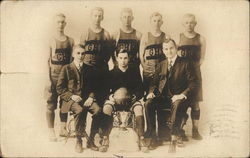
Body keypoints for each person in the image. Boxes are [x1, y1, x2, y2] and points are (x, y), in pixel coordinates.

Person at [99, 49, 148, 153]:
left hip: (130, 101)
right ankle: (105, 138)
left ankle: (141, 138)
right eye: (120, 58)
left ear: (129, 58)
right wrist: (110, 96)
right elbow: (104, 90)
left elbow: (141, 89)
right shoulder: (111, 73)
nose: (123, 61)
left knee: (139, 108)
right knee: (106, 108)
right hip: (115, 101)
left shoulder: (134, 72)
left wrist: (136, 96)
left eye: (125, 58)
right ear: (116, 58)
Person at [156, 39, 198, 153]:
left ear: (176, 48)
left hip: (181, 98)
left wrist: (182, 95)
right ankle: (152, 137)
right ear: (163, 51)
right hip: (165, 97)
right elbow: (154, 82)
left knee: (176, 104)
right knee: (149, 103)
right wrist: (151, 93)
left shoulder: (185, 63)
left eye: (171, 48)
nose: (169, 51)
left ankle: (173, 139)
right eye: (166, 49)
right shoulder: (161, 64)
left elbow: (193, 83)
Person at [79, 7, 113, 147]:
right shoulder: (85, 33)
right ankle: (80, 135)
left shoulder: (106, 34)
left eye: (100, 15)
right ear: (91, 16)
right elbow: (79, 52)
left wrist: (101, 65)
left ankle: (95, 135)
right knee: (85, 102)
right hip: (87, 71)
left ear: (102, 17)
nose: (97, 18)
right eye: (95, 15)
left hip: (101, 71)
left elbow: (109, 53)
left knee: (99, 103)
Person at [56, 45, 100, 153]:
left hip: (85, 99)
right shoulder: (66, 68)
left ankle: (91, 140)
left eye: (83, 53)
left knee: (98, 110)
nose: (81, 56)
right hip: (70, 100)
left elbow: (94, 86)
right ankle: (79, 140)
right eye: (78, 53)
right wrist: (72, 96)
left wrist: (91, 97)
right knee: (79, 110)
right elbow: (59, 88)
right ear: (73, 54)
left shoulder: (89, 69)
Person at [140, 12, 170, 149]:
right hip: (149, 73)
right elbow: (141, 56)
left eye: (159, 20)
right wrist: (147, 69)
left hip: (162, 73)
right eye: (154, 20)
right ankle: (150, 132)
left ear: (162, 22)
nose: (156, 23)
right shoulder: (145, 36)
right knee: (149, 101)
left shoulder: (165, 36)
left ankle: (162, 132)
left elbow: (169, 54)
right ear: (150, 21)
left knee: (161, 99)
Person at [45, 13, 74, 141]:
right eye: (58, 22)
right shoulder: (50, 40)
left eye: (62, 22)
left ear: (65, 24)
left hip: (66, 77)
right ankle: (51, 131)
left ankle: (63, 128)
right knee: (51, 103)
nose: (60, 24)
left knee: (65, 102)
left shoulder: (71, 40)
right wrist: (47, 79)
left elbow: (72, 61)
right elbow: (46, 61)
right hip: (54, 76)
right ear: (54, 23)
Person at [178, 13, 206, 140]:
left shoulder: (201, 39)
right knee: (181, 103)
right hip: (182, 75)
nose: (189, 25)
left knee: (195, 103)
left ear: (195, 23)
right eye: (186, 22)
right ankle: (181, 130)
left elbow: (202, 58)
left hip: (195, 74)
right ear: (183, 24)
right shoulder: (178, 37)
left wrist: (193, 69)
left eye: (191, 22)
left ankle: (195, 130)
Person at [111, 8, 142, 72]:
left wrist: (137, 64)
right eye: (124, 17)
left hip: (133, 69)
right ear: (121, 18)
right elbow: (111, 52)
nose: (127, 20)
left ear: (132, 18)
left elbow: (141, 53)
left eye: (129, 17)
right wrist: (116, 63)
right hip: (119, 68)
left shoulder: (138, 35)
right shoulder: (115, 34)